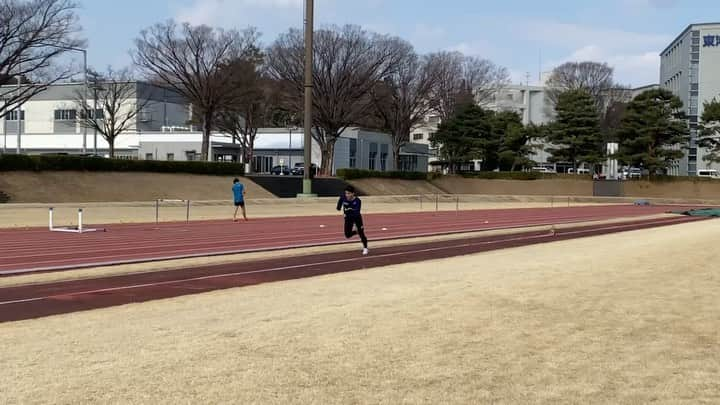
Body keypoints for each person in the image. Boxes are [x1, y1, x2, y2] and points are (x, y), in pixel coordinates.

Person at [337, 185, 369, 255]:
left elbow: (356, 213)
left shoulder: (357, 201)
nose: (347, 195)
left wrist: (355, 225)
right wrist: (340, 204)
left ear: (353, 193)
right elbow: (338, 208)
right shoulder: (343, 197)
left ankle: (365, 248)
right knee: (347, 235)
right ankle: (356, 232)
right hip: (348, 219)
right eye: (346, 193)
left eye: (349, 193)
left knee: (362, 234)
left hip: (357, 218)